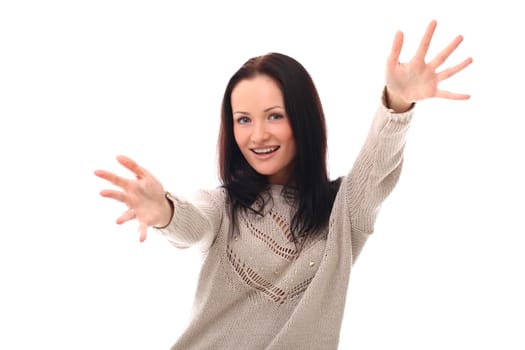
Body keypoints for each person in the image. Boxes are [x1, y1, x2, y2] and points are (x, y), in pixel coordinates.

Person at [94, 20, 472, 349]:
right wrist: (165, 212)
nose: (257, 135)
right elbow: (193, 222)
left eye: (274, 116)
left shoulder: (344, 213)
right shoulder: (224, 207)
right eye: (243, 120)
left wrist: (399, 102)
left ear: (303, 118)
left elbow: (377, 166)